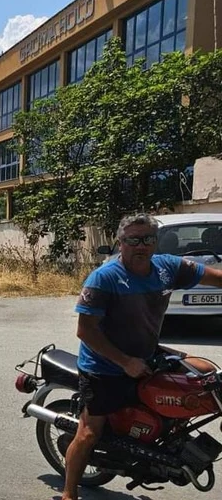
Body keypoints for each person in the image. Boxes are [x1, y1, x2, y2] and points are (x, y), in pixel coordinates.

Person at [62, 212, 222, 500]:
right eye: (133, 240)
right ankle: (69, 492)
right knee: (89, 432)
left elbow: (214, 278)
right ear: (121, 243)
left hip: (147, 354)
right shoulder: (105, 278)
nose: (141, 245)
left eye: (147, 239)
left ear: (155, 242)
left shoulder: (167, 268)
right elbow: (85, 331)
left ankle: (166, 446)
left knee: (205, 374)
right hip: (104, 366)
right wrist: (125, 362)